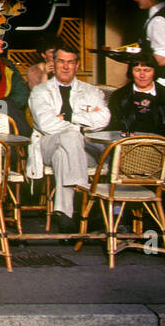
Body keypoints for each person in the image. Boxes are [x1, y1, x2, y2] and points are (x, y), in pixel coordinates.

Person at [27, 43, 110, 234]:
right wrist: (81, 125)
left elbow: (103, 119)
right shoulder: (40, 92)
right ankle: (85, 197)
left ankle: (65, 214)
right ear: (53, 63)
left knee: (62, 156)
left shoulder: (92, 91)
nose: (65, 67)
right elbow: (46, 124)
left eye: (70, 62)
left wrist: (70, 118)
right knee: (71, 136)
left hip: (82, 149)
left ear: (77, 65)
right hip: (48, 142)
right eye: (61, 61)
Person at [109, 50, 165, 147]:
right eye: (137, 70)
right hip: (127, 150)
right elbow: (114, 130)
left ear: (154, 72)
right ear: (131, 72)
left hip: (163, 150)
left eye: (147, 70)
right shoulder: (118, 97)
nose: (142, 75)